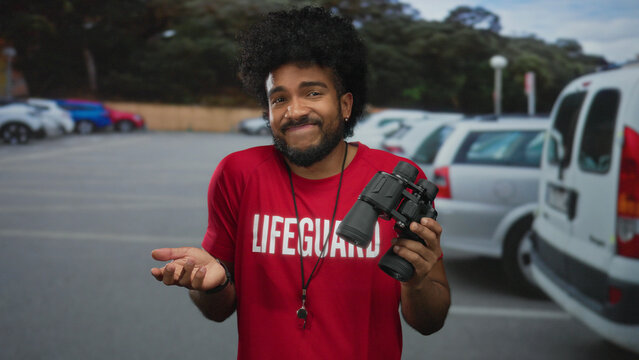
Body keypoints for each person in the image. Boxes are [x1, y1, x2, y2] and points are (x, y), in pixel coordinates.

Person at [150, 6, 450, 359]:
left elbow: (430, 320)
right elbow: (218, 309)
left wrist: (417, 281)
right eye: (279, 99)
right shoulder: (238, 174)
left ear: (345, 104)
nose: (293, 111)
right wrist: (212, 285)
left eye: (312, 93)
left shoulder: (396, 180)